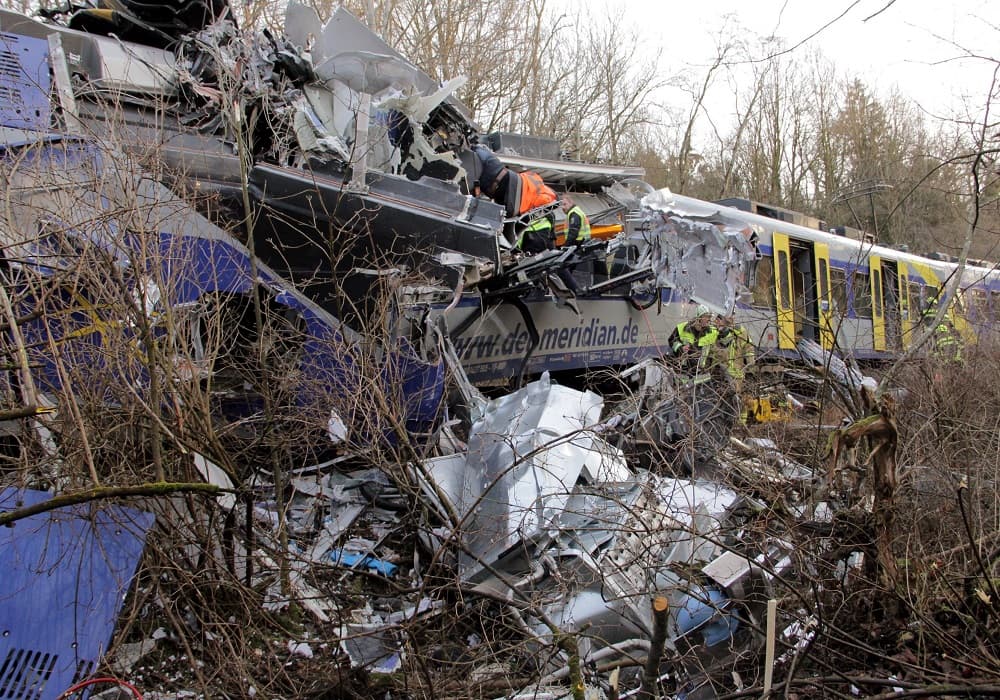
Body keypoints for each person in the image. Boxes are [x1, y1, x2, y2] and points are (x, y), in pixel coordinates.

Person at [669, 305, 719, 374]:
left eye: (710, 317)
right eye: (706, 317)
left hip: (701, 371)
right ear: (699, 318)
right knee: (682, 384)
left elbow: (725, 343)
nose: (709, 319)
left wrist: (725, 329)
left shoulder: (712, 332)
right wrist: (680, 348)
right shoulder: (682, 328)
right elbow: (671, 341)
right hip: (683, 370)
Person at [716, 314, 755, 389]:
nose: (732, 318)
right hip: (722, 372)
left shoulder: (740, 331)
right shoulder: (717, 333)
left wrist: (750, 360)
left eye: (733, 315)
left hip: (737, 374)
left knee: (735, 394)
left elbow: (748, 346)